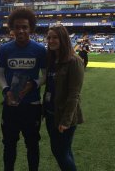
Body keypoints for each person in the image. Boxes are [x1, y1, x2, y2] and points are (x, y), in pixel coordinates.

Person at [0, 8, 47, 171]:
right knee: (9, 145)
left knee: (32, 144)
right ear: (12, 28)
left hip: (32, 105)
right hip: (11, 105)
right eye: (17, 27)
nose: (21, 30)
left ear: (30, 28)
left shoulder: (40, 50)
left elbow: (45, 75)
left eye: (24, 27)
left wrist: (34, 84)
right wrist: (6, 91)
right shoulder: (5, 49)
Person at [43, 25, 84, 171]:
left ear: (63, 39)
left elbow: (74, 94)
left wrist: (66, 121)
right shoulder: (52, 59)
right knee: (64, 151)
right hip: (50, 114)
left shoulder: (74, 61)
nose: (51, 40)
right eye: (49, 37)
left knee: (60, 152)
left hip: (63, 117)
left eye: (55, 37)